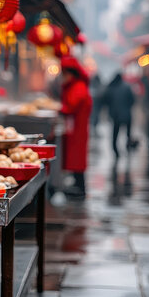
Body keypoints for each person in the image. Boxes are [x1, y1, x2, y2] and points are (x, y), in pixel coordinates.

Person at [58, 56, 93, 199]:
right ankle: (77, 185)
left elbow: (71, 106)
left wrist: (59, 109)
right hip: (76, 127)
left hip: (77, 128)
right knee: (76, 157)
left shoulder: (78, 87)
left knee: (77, 157)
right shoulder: (76, 86)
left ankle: (79, 187)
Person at [102, 73, 136, 158]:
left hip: (115, 115)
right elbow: (132, 100)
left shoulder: (111, 87)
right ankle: (128, 148)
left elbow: (105, 100)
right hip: (127, 114)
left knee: (115, 134)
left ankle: (116, 151)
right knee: (128, 133)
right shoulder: (127, 87)